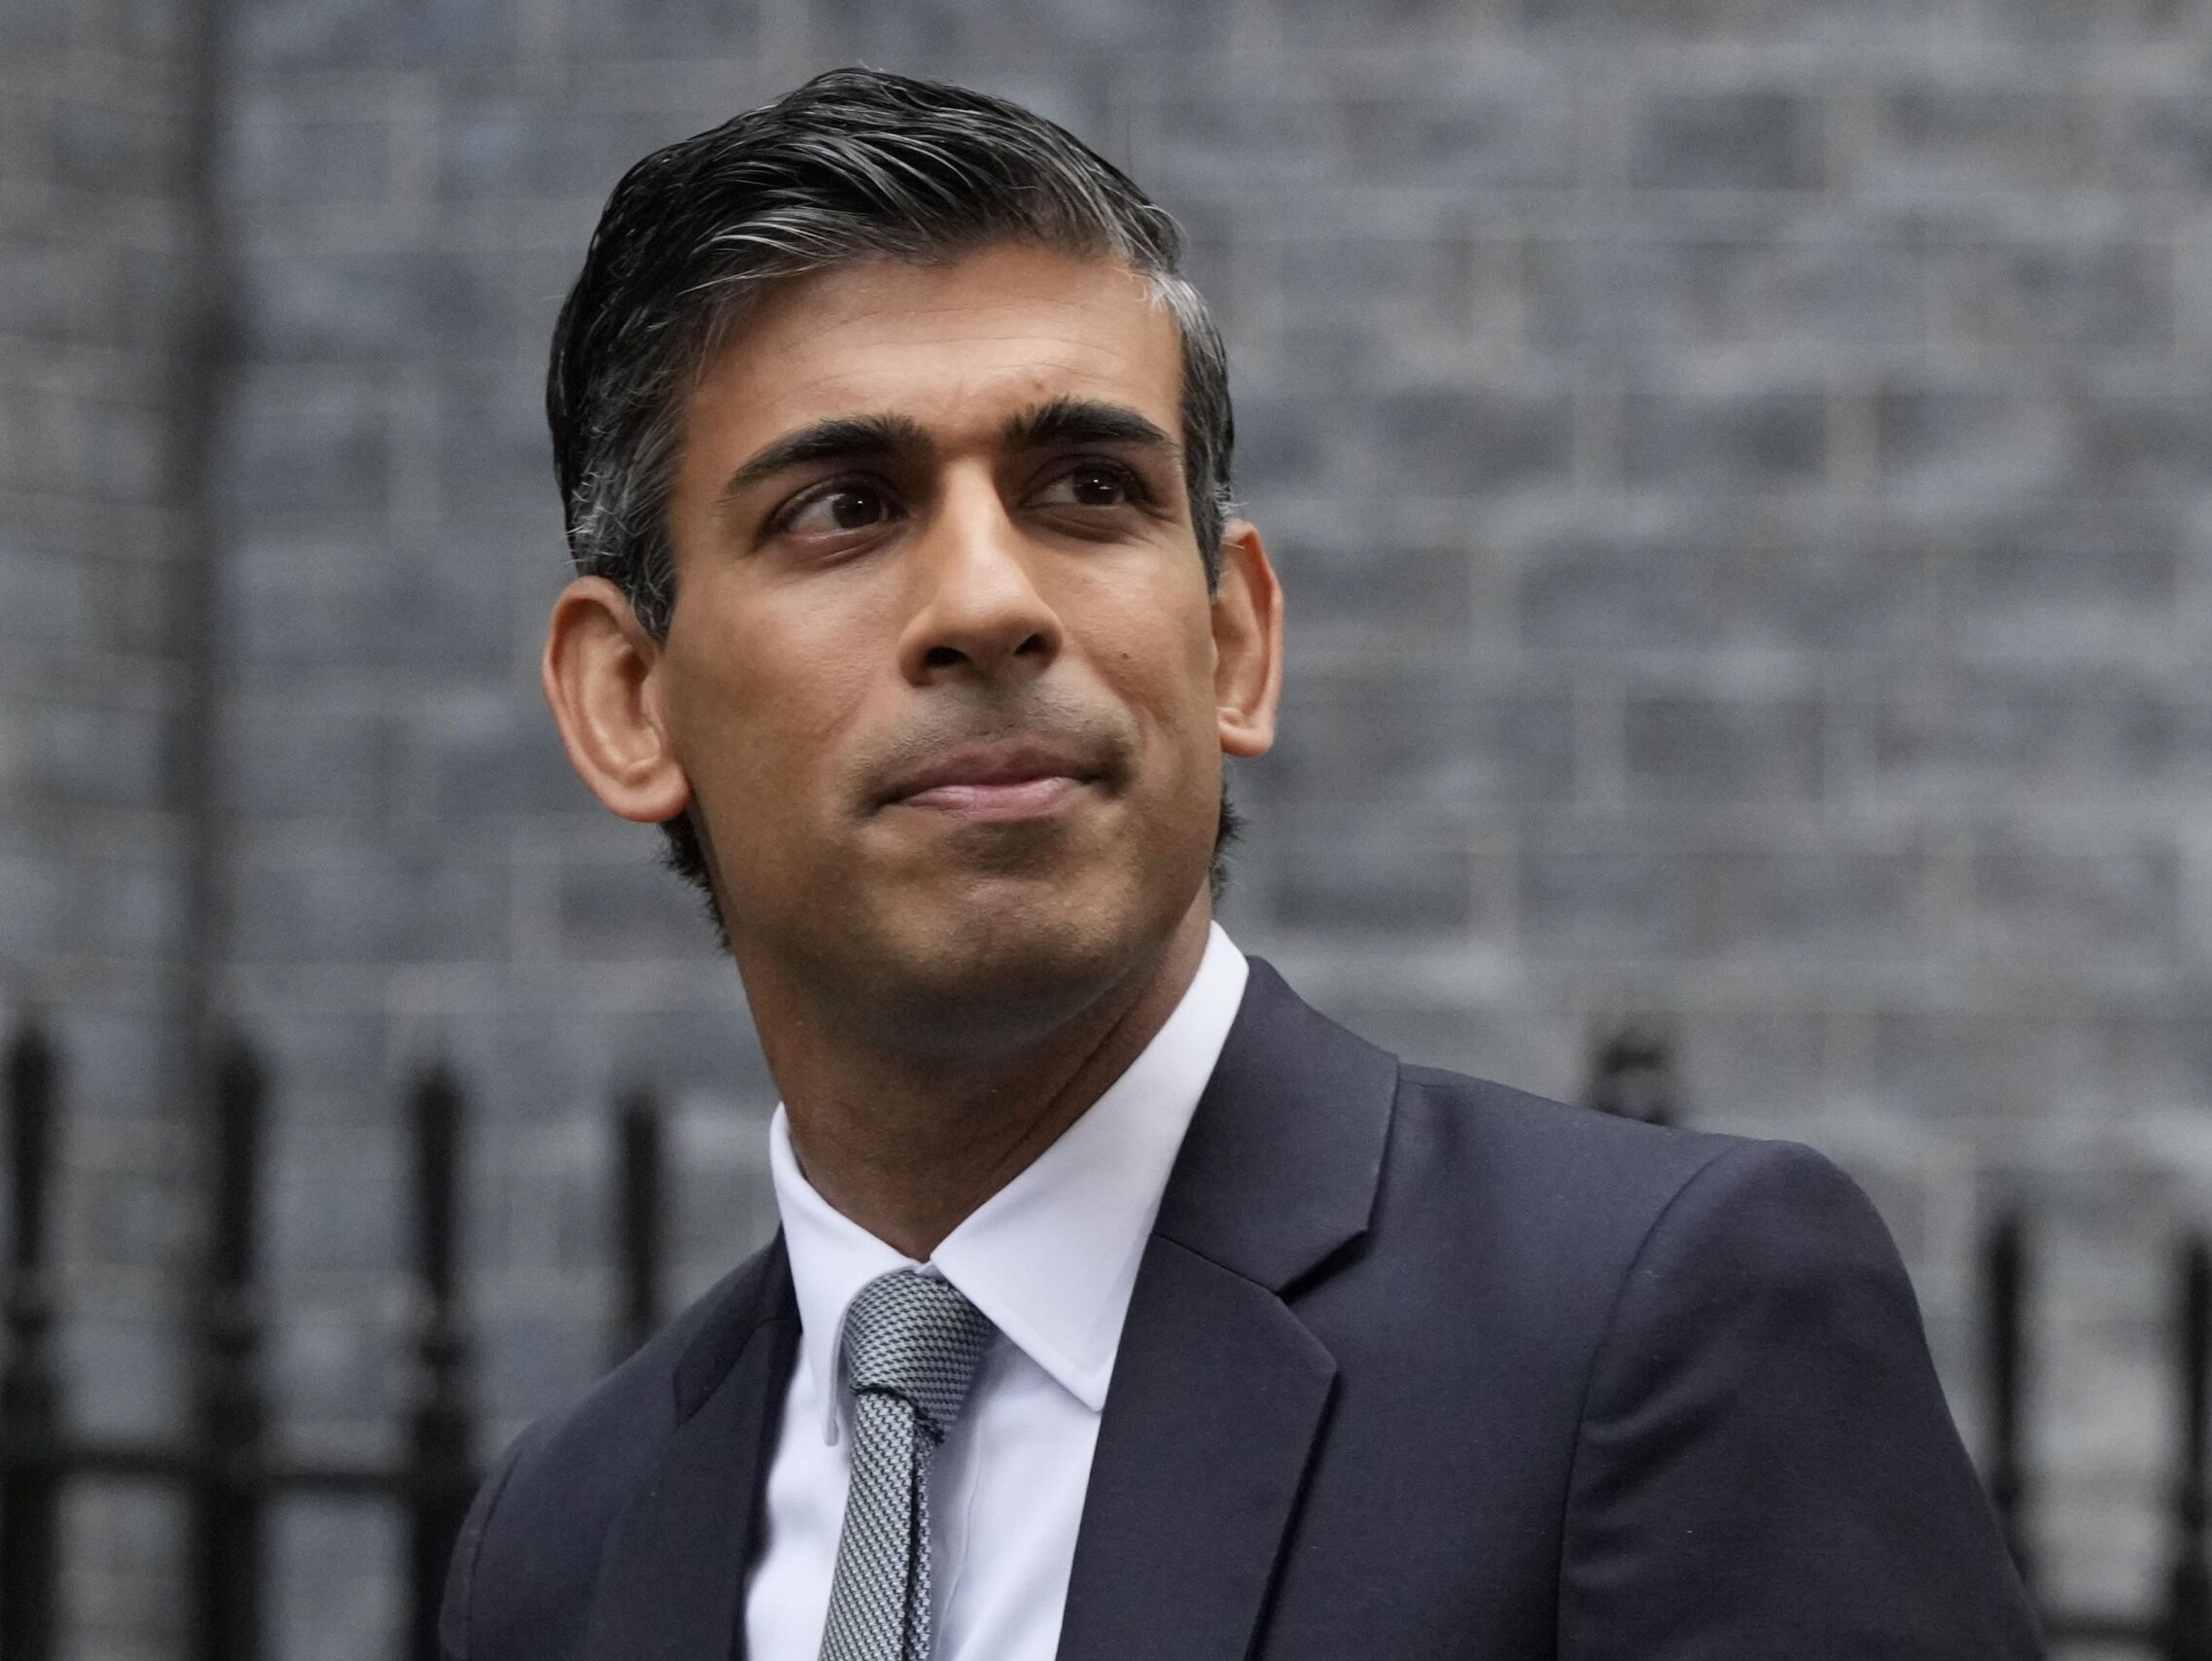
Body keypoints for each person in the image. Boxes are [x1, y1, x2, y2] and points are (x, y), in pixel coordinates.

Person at [440, 66, 2044, 1661]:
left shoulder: (1662, 1325)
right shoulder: (564, 1546)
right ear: (628, 700)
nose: (990, 601)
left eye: (1090, 491)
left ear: (1235, 640)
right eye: (845, 507)